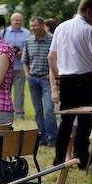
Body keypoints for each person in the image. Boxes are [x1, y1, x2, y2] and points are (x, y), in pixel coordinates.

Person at [48, 0, 92, 168]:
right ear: (89, 11)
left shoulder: (61, 27)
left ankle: (59, 158)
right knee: (84, 121)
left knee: (66, 121)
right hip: (84, 79)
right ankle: (81, 158)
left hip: (65, 79)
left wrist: (58, 78)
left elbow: (51, 57)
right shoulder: (88, 30)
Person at [22, 16, 57, 146]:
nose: (32, 29)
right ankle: (42, 138)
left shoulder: (53, 39)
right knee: (38, 110)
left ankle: (53, 137)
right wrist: (27, 75)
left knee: (49, 110)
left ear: (42, 25)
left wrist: (51, 74)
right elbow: (25, 60)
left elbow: (57, 58)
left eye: (35, 26)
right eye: (31, 26)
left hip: (47, 80)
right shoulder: (28, 41)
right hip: (33, 79)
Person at [2, 12, 30, 120]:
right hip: (5, 68)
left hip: (20, 67)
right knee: (5, 91)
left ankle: (19, 114)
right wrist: (9, 48)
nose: (17, 22)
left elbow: (28, 49)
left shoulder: (27, 33)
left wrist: (21, 52)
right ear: (11, 21)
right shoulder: (4, 32)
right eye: (15, 20)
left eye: (19, 20)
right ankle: (5, 111)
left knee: (19, 92)